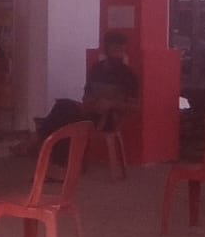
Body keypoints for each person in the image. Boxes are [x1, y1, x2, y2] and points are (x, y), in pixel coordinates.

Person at [22, 31, 139, 160]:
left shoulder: (128, 75)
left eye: (122, 50)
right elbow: (86, 95)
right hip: (90, 111)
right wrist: (91, 102)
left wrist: (111, 104)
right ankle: (53, 153)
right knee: (63, 106)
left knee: (65, 117)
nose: (119, 54)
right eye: (115, 50)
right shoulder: (97, 69)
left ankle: (40, 142)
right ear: (107, 49)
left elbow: (134, 107)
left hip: (108, 119)